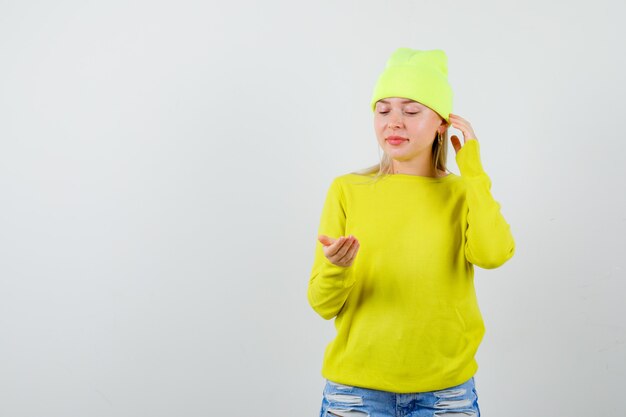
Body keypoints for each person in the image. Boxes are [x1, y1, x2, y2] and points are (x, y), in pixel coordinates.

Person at [307, 48, 515, 417]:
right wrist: (339, 267)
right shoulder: (346, 190)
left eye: (412, 110)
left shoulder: (462, 191)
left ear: (442, 124)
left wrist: (474, 173)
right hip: (356, 393)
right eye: (383, 110)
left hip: (446, 394)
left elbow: (493, 254)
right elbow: (322, 305)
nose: (394, 122)